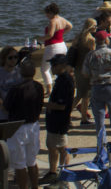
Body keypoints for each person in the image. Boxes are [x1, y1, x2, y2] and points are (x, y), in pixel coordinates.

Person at [3, 59, 44, 189]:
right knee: (32, 161)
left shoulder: (16, 89)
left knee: (20, 164)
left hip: (18, 127)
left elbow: (7, 107)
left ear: (20, 72)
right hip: (33, 125)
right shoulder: (39, 87)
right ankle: (35, 186)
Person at [83, 29, 111, 140]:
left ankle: (101, 144)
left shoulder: (90, 55)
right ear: (106, 40)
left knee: (99, 118)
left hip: (96, 87)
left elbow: (85, 73)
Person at [42, 53, 75, 184]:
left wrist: (43, 104)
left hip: (60, 120)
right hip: (54, 120)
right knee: (52, 146)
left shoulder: (66, 81)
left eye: (54, 65)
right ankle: (53, 171)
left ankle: (63, 174)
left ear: (62, 66)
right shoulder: (60, 79)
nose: (52, 68)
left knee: (62, 147)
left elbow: (62, 106)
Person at [39, 3, 73, 89]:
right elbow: (70, 26)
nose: (46, 15)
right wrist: (62, 34)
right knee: (60, 68)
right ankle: (60, 86)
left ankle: (49, 89)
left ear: (51, 12)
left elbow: (50, 35)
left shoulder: (52, 21)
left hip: (52, 47)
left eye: (47, 13)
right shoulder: (61, 19)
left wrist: (40, 38)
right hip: (62, 45)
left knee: (45, 69)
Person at [70, 18, 97, 125]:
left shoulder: (78, 37)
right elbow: (94, 57)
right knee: (85, 95)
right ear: (90, 27)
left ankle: (70, 114)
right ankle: (83, 118)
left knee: (80, 94)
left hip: (77, 69)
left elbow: (72, 51)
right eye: (95, 26)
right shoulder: (91, 40)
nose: (96, 27)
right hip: (86, 71)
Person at [0, 46, 22, 121]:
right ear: (4, 59)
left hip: (17, 114)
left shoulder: (20, 72)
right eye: (10, 58)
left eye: (16, 57)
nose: (13, 60)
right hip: (1, 115)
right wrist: (5, 108)